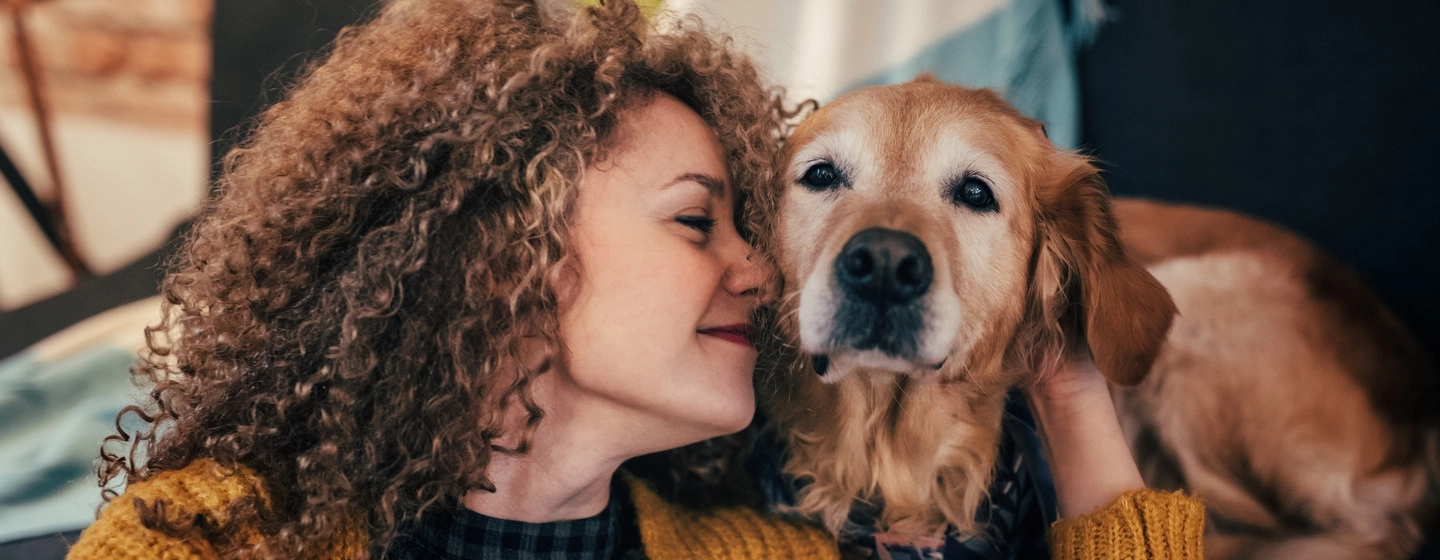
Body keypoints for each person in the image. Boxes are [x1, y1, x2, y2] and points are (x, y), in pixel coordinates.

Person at [68, 0, 1202, 558]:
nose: (761, 267)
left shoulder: (762, 550)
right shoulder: (214, 530)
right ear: (508, 256)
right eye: (700, 221)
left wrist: (1066, 378)